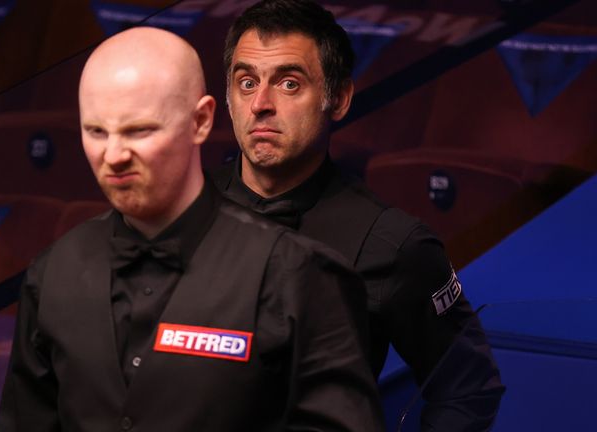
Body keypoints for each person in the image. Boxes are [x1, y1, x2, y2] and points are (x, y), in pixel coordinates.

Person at [0, 26, 384, 431]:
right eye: (96, 131)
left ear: (200, 121)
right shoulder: (51, 273)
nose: (113, 155)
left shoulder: (300, 276)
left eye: (139, 130)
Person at [212, 0, 505, 430]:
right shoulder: (181, 210)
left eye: (289, 84)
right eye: (246, 82)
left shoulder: (393, 244)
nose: (261, 104)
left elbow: (469, 386)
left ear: (339, 98)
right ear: (228, 96)